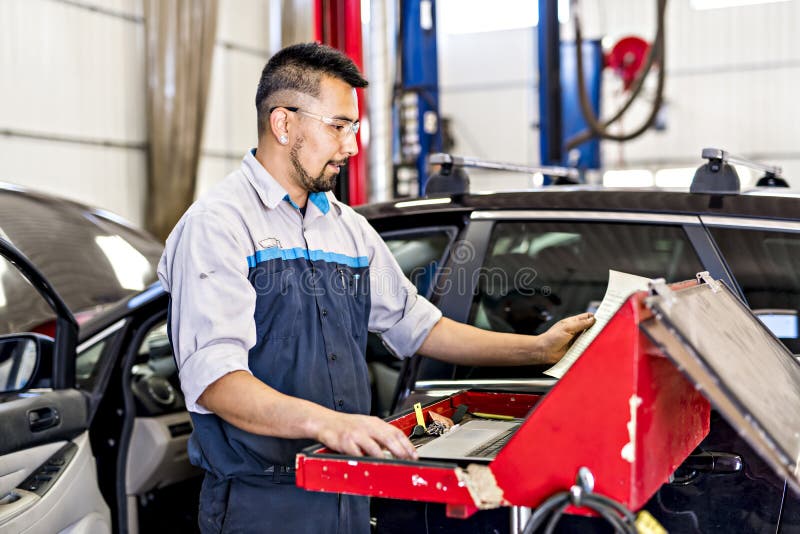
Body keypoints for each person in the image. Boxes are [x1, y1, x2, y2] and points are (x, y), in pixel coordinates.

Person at [157, 42, 595, 534]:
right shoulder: (218, 227)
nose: (351, 146)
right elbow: (217, 383)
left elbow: (417, 326)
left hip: (347, 489)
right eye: (338, 126)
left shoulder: (347, 228)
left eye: (355, 128)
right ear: (283, 124)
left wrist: (536, 349)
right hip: (264, 504)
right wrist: (330, 424)